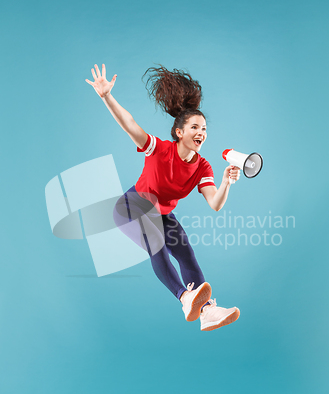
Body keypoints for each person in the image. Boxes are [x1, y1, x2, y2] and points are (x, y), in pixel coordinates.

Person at [86, 64, 241, 332]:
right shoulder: (159, 149)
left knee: (187, 254)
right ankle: (185, 298)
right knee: (156, 243)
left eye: (204, 128)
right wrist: (106, 96)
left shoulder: (203, 167)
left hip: (160, 214)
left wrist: (227, 181)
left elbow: (215, 204)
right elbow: (129, 124)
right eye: (194, 127)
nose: (201, 132)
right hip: (131, 206)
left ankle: (206, 312)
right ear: (180, 132)